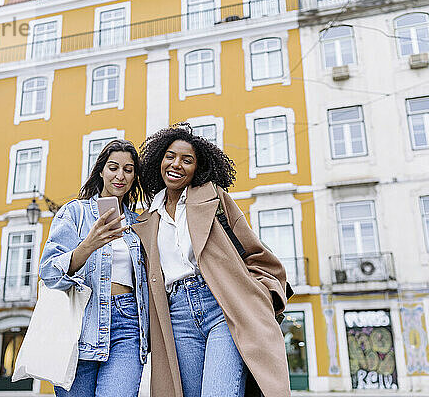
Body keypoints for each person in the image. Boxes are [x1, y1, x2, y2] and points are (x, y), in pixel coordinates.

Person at [133, 124, 291, 397]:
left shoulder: (215, 199)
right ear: (159, 159)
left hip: (222, 305)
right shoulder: (146, 220)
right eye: (170, 156)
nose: (176, 164)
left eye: (187, 160)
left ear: (198, 168)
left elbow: (256, 254)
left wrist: (260, 296)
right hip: (177, 317)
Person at [39, 140, 149, 397]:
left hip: (128, 323)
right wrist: (87, 246)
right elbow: (49, 272)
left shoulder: (139, 223)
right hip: (80, 324)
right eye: (113, 167)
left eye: (128, 169)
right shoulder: (74, 212)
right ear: (101, 170)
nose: (120, 175)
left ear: (134, 176)